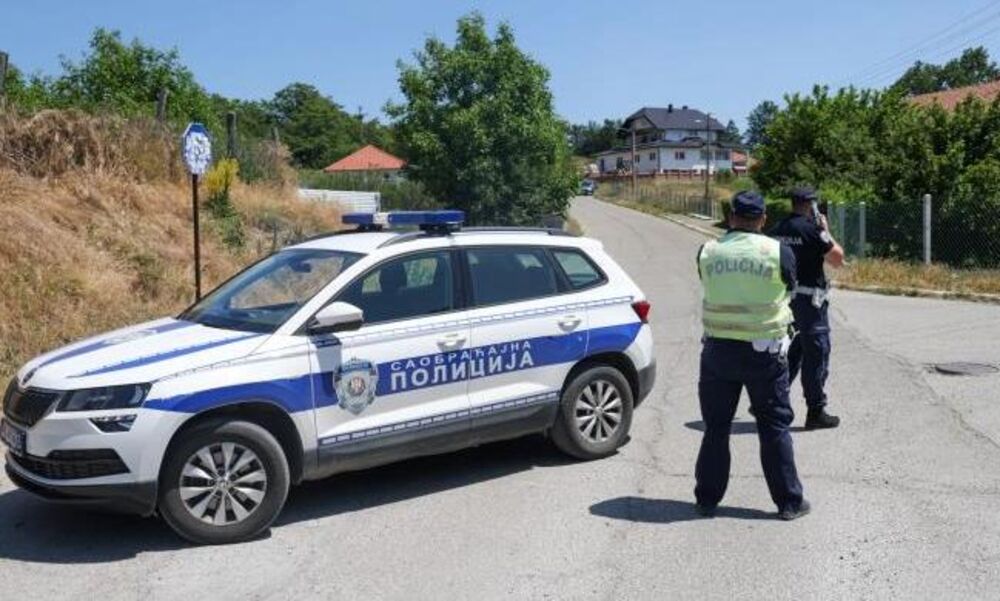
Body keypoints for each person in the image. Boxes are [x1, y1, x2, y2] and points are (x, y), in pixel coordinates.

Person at [694, 190, 809, 520]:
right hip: (765, 353)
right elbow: (790, 288)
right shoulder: (777, 251)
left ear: (731, 217)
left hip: (718, 351)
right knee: (774, 428)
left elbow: (707, 282)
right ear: (762, 219)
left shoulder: (708, 251)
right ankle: (788, 502)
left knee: (716, 428)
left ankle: (706, 498)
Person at [768, 187, 845, 430]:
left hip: (785, 302)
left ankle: (771, 400)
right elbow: (837, 259)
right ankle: (815, 411)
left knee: (789, 353)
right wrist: (826, 231)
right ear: (811, 204)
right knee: (816, 355)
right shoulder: (813, 230)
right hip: (811, 304)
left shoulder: (777, 229)